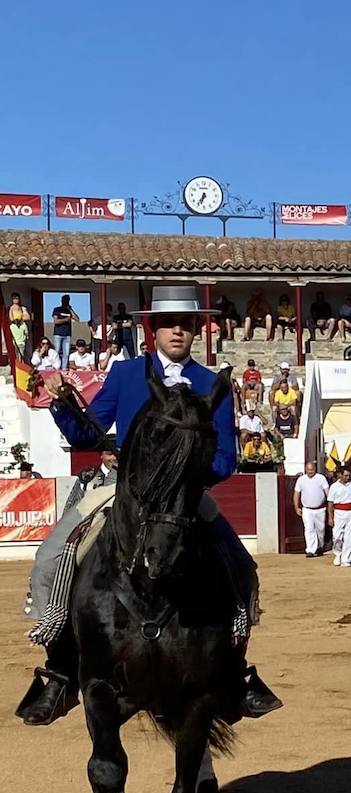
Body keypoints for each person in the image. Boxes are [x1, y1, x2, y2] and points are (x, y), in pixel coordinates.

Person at [18, 284, 280, 726]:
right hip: (120, 489)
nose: (178, 330)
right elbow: (88, 434)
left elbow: (225, 459)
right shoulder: (124, 376)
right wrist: (58, 401)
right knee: (50, 557)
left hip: (184, 496)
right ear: (152, 328)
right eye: (169, 323)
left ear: (198, 328)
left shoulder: (210, 383)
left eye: (187, 323)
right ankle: (61, 669)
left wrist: (185, 475)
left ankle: (235, 673)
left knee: (240, 567)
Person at [63, 437, 118, 514]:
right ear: (101, 455)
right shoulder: (86, 478)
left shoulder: (130, 478)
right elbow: (70, 510)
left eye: (118, 454)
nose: (114, 458)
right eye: (109, 454)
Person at [294, 460, 329, 557]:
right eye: (308, 470)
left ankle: (320, 546)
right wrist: (297, 507)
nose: (310, 472)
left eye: (312, 470)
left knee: (320, 529)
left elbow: (327, 492)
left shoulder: (321, 478)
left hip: (320, 509)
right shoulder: (301, 479)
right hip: (307, 509)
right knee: (309, 529)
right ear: (305, 469)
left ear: (315, 469)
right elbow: (296, 494)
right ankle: (310, 550)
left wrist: (330, 504)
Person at [327, 465, 351, 566]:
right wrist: (330, 517)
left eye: (349, 475)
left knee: (349, 536)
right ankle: (338, 554)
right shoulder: (334, 487)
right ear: (340, 475)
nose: (347, 477)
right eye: (345, 475)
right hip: (339, 512)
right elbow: (330, 503)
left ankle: (346, 559)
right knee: (337, 536)